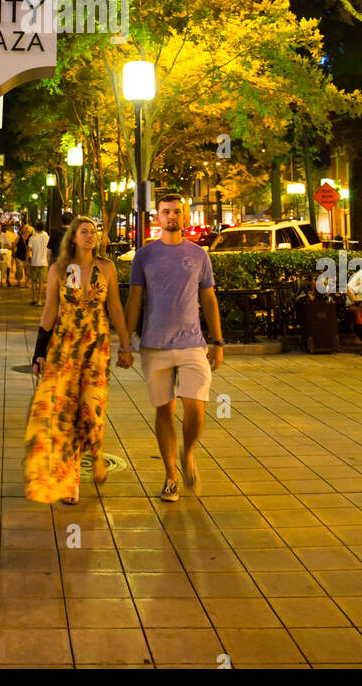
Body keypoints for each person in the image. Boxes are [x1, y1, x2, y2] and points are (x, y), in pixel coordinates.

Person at [25, 215, 132, 504]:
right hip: (66, 346)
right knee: (66, 411)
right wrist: (39, 351)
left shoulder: (106, 268)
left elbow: (116, 310)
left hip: (96, 348)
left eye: (94, 232)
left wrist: (125, 343)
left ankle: (96, 452)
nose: (91, 236)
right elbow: (50, 310)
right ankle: (70, 478)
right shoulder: (63, 269)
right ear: (73, 237)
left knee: (92, 407)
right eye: (85, 231)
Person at [125, 193, 223, 502]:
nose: (172, 216)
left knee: (196, 406)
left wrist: (217, 340)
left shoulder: (198, 255)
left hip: (193, 343)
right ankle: (170, 475)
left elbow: (208, 298)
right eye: (166, 211)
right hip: (154, 345)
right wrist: (126, 340)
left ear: (185, 216)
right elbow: (135, 299)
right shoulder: (144, 256)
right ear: (157, 217)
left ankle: (188, 451)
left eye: (177, 211)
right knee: (164, 410)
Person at [27, 221, 50, 305]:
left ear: (36, 227)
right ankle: (39, 300)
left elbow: (28, 250)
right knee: (41, 282)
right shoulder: (47, 237)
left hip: (34, 262)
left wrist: (27, 261)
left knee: (33, 281)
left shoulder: (32, 238)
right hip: (44, 263)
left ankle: (34, 298)